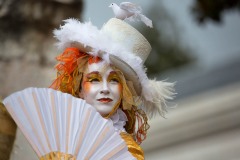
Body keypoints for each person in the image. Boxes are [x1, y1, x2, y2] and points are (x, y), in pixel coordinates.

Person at [49, 18, 175, 160]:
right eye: (94, 80)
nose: (105, 89)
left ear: (123, 92)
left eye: (114, 80)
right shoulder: (63, 140)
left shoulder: (127, 150)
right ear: (79, 89)